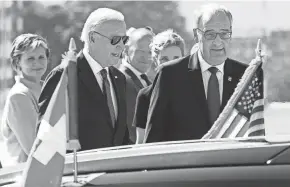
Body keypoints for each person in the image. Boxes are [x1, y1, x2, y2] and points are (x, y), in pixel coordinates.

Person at [144, 4, 248, 143]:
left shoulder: (245, 76)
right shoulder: (170, 75)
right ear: (196, 35)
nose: (218, 42)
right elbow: (153, 138)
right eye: (210, 34)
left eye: (224, 34)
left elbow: (255, 134)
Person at [38, 8, 130, 151]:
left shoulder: (119, 78)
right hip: (79, 170)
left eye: (124, 39)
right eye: (115, 39)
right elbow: (46, 137)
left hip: (114, 171)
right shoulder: (64, 76)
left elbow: (121, 136)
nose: (122, 46)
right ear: (92, 37)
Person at [1, 34, 49, 167]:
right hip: (25, 175)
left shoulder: (45, 88)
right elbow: (34, 147)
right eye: (30, 59)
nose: (37, 63)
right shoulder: (19, 95)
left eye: (41, 57)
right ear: (18, 63)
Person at [132, 29, 186, 144]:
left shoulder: (196, 92)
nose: (170, 64)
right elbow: (140, 143)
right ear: (155, 61)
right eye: (164, 59)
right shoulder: (144, 96)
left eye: (176, 58)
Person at [118, 28, 154, 143]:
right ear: (127, 50)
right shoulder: (121, 80)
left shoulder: (148, 82)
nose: (146, 57)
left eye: (150, 52)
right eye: (140, 51)